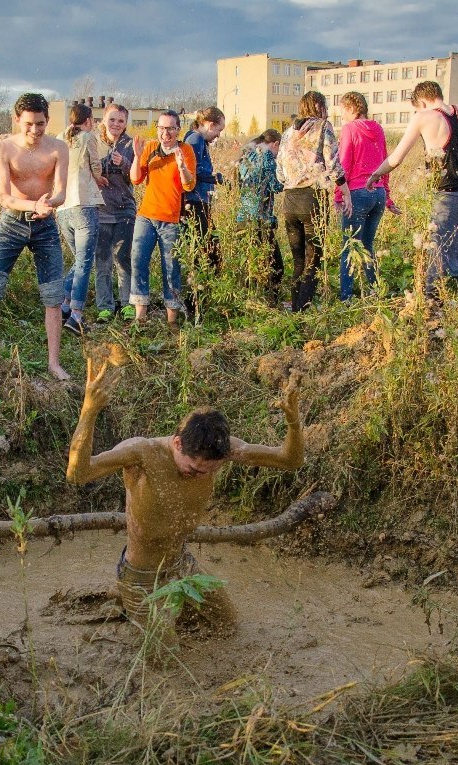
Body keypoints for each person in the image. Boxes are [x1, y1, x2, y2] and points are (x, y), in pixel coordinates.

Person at [66, 352, 304, 658]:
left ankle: (154, 613)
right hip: (141, 577)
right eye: (192, 470)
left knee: (228, 627)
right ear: (178, 444)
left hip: (183, 566)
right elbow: (77, 474)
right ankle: (130, 604)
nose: (198, 477)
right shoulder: (141, 454)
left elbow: (290, 460)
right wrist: (88, 412)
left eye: (209, 472)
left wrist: (293, 422)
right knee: (165, 657)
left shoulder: (226, 450)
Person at [0, 93, 70, 378]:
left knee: (53, 295)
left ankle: (54, 363)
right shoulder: (4, 148)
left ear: (47, 120)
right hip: (12, 223)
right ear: (17, 120)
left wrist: (49, 205)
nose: (34, 130)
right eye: (28, 124)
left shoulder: (58, 148)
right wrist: (34, 205)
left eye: (40, 124)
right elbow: (5, 197)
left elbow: (61, 193)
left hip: (45, 226)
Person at [367, 81, 458, 299]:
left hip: (444, 193)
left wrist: (376, 174)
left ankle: (432, 299)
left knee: (435, 247)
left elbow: (396, 158)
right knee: (454, 242)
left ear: (421, 102)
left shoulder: (424, 117)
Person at [276, 91, 352, 311]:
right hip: (312, 199)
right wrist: (345, 190)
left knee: (298, 259)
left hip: (289, 201)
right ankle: (303, 308)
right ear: (320, 106)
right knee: (314, 257)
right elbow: (333, 162)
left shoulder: (289, 131)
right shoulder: (323, 126)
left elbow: (279, 172)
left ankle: (296, 305)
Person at [129, 110, 196, 326]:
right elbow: (136, 179)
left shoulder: (186, 150)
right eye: (161, 128)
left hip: (171, 220)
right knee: (138, 260)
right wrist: (137, 156)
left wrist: (182, 166)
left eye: (170, 128)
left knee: (171, 267)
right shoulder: (149, 148)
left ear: (178, 130)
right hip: (146, 216)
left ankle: (171, 320)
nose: (165, 133)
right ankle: (140, 316)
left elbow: (189, 184)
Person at [337, 91, 399, 301]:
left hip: (356, 192)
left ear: (352, 109)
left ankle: (346, 298)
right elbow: (385, 163)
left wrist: (339, 195)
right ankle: (375, 290)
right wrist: (387, 197)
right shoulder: (378, 129)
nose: (341, 115)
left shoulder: (349, 129)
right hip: (378, 193)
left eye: (343, 110)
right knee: (367, 246)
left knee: (349, 247)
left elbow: (343, 163)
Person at [58, 103, 108, 337]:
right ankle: (75, 314)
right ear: (88, 121)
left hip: (63, 208)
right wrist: (101, 180)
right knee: (85, 261)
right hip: (83, 203)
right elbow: (96, 166)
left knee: (78, 260)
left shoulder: (60, 138)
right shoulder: (89, 137)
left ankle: (64, 306)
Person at [181, 107, 227, 318]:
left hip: (199, 202)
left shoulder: (198, 140)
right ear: (210, 124)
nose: (218, 135)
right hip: (194, 203)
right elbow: (192, 170)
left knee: (209, 250)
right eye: (219, 130)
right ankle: (193, 303)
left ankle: (199, 300)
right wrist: (214, 178)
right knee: (205, 252)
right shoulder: (195, 140)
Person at [95, 103, 137, 323]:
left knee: (123, 258)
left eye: (120, 121)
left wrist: (125, 164)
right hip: (100, 210)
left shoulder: (130, 144)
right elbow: (85, 172)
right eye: (112, 119)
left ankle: (127, 303)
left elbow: (137, 177)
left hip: (124, 210)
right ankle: (105, 305)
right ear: (103, 120)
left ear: (125, 123)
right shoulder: (94, 142)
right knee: (102, 260)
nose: (116, 124)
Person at [236, 129, 285, 302]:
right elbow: (275, 186)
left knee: (251, 265)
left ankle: (249, 302)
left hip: (242, 219)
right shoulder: (267, 157)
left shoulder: (246, 156)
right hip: (260, 219)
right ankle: (272, 303)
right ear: (276, 144)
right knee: (276, 266)